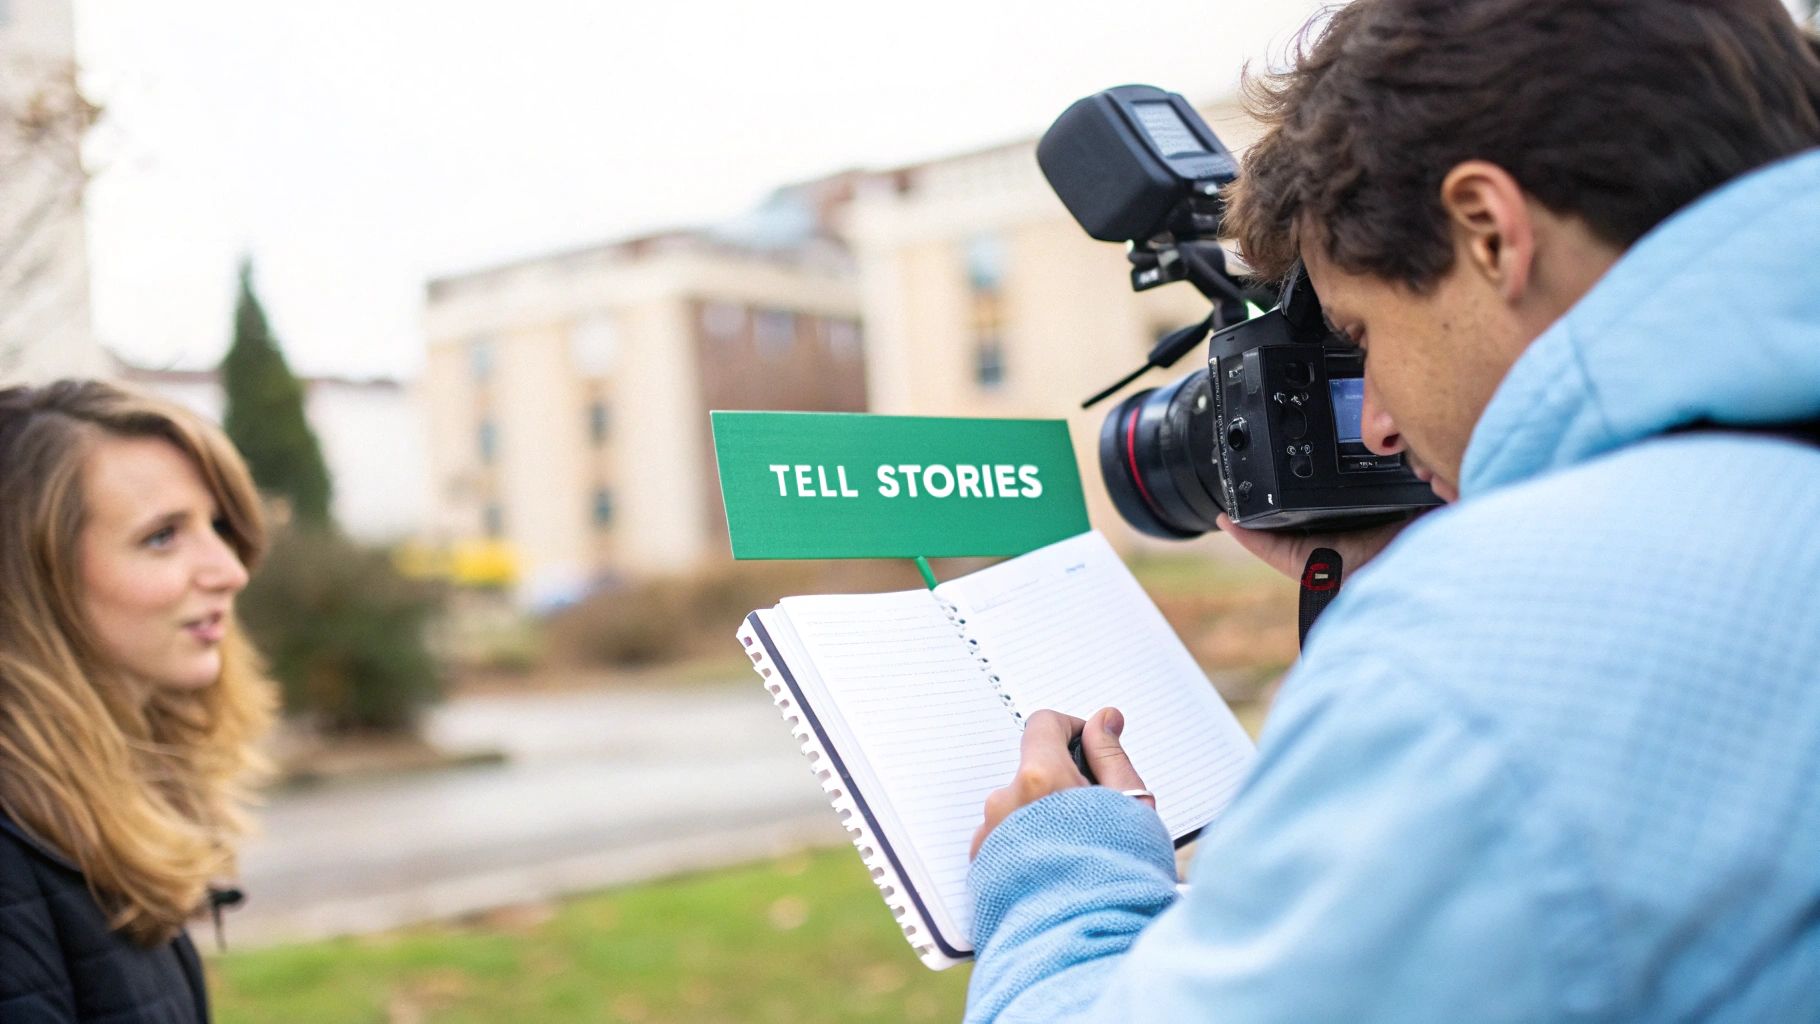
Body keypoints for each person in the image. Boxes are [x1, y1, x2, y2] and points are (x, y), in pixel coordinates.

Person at [964, 1, 1820, 1020]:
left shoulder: (1476, 653)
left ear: (1488, 231)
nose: (1371, 423)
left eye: (1359, 334)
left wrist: (1063, 881)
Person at [0, 380, 274, 1023]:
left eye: (217, 526)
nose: (229, 570)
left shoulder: (98, 806)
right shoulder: (16, 855)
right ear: (34, 581)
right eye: (162, 537)